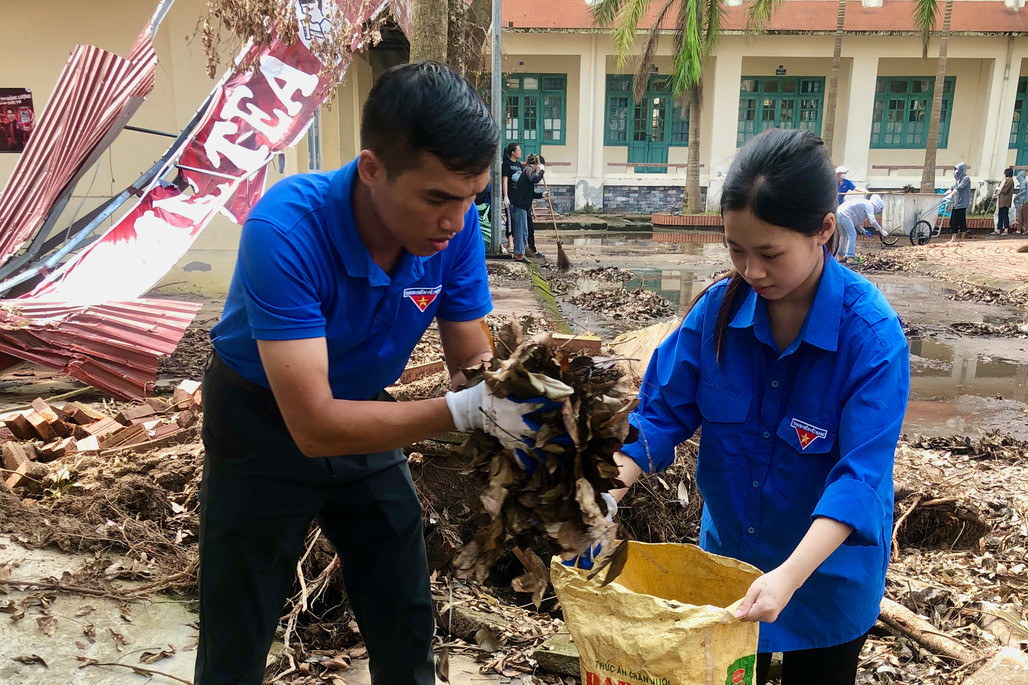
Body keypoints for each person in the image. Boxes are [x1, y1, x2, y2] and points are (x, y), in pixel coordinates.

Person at [197, 61, 556, 685]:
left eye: (469, 197)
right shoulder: (284, 230)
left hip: (364, 405)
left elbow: (470, 364)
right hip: (260, 421)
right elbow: (313, 426)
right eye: (437, 198)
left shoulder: (456, 226)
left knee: (403, 602)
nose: (455, 220)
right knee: (240, 617)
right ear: (372, 170)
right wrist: (462, 413)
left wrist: (521, 403)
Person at [605, 128, 909, 685]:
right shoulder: (717, 315)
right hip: (726, 565)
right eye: (736, 250)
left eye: (769, 253)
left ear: (823, 230)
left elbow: (860, 478)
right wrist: (606, 491)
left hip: (823, 582)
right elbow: (658, 416)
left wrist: (789, 577)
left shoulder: (870, 336)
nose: (751, 272)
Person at [508, 154, 544, 261]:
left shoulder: (527, 171)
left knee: (523, 231)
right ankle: (519, 255)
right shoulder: (528, 170)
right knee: (521, 231)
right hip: (520, 206)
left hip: (523, 205)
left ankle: (519, 254)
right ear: (537, 164)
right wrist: (542, 172)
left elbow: (530, 193)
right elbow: (535, 179)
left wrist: (542, 195)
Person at [836, 194, 885, 264]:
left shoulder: (864, 203)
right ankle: (850, 258)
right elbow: (873, 221)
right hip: (844, 214)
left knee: (844, 236)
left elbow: (856, 221)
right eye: (880, 208)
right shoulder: (870, 205)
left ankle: (840, 256)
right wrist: (881, 230)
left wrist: (863, 231)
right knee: (852, 235)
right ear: (878, 205)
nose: (879, 210)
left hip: (840, 212)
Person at [501, 142, 522, 252]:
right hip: (510, 197)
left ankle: (519, 242)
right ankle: (510, 243)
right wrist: (505, 196)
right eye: (518, 150)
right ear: (513, 152)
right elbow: (505, 181)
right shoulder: (506, 164)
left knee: (518, 220)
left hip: (519, 198)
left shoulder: (519, 165)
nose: (520, 152)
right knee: (510, 219)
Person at [949, 162, 971, 241]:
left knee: (961, 221)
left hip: (962, 203)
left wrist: (954, 191)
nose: (955, 171)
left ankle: (962, 238)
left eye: (957, 169)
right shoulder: (957, 179)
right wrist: (948, 192)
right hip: (956, 203)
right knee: (953, 221)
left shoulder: (966, 178)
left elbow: (960, 187)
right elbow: (953, 187)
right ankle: (954, 237)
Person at [995, 168, 1014, 236]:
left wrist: (999, 189)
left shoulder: (1010, 180)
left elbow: (1005, 189)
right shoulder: (1007, 180)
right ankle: (999, 229)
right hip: (1002, 201)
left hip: (1005, 201)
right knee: (1001, 215)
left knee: (1004, 215)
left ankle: (1006, 229)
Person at [1014, 170, 1027, 234]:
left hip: (1025, 201)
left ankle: (1026, 230)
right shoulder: (1025, 182)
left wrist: (1017, 195)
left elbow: (1024, 191)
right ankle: (1019, 230)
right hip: (1024, 201)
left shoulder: (1023, 182)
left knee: (1025, 215)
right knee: (1021, 215)